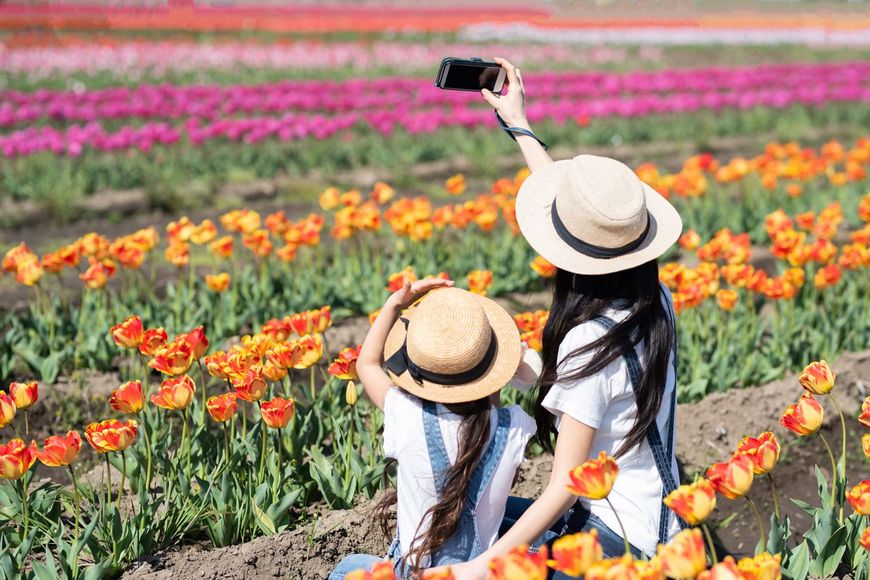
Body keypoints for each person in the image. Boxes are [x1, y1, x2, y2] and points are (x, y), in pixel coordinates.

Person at [447, 58, 686, 579]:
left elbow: (565, 485)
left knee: (464, 542)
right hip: (661, 526)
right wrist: (520, 126)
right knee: (470, 519)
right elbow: (583, 214)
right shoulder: (655, 300)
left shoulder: (587, 339)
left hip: (617, 544)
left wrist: (485, 567)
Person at [329, 281, 541, 579]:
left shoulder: (406, 414)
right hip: (478, 574)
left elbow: (367, 365)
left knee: (347, 569)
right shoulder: (514, 428)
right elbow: (495, 434)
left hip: (415, 575)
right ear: (492, 371)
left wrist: (394, 304)